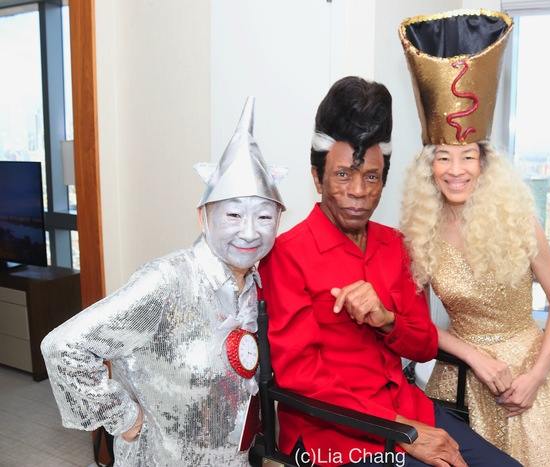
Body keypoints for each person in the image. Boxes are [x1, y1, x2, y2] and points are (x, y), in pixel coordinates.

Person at [258, 76, 521, 467]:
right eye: (343, 174)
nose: (359, 192)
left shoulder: (395, 245)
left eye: (372, 176)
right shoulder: (286, 254)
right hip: (332, 438)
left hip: (407, 408)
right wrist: (403, 432)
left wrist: (386, 321)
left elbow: (422, 346)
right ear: (317, 178)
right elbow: (302, 379)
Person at [398, 9, 550, 467]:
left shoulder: (518, 221)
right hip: (460, 382)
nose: (455, 171)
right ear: (427, 167)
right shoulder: (418, 237)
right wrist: (472, 354)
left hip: (530, 377)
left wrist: (537, 374)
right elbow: (416, 328)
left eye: (466, 156)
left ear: (484, 163)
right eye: (443, 158)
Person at [40, 97, 285, 466]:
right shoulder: (166, 281)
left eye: (264, 217)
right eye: (233, 214)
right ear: (203, 217)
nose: (250, 232)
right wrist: (125, 416)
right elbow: (64, 347)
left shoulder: (255, 286)